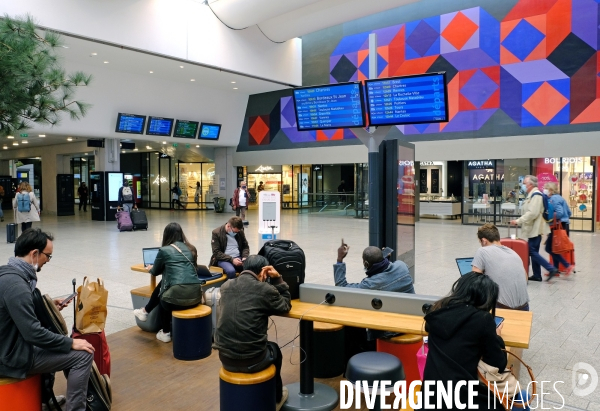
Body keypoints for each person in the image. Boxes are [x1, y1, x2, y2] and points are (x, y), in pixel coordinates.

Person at [0, 228, 94, 411]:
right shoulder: (17, 286)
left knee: (53, 341)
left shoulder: (8, 273)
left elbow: (15, 313)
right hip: (9, 357)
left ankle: (45, 397)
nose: (48, 261)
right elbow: (33, 333)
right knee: (83, 355)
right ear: (34, 253)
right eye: (47, 256)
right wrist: (70, 343)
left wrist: (48, 306)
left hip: (7, 346)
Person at [213, 255, 291, 411]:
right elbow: (285, 305)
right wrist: (278, 279)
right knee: (275, 350)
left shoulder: (226, 286)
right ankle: (276, 398)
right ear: (264, 272)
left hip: (225, 357)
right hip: (253, 359)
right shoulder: (264, 289)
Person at [423, 272, 510, 410]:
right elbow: (497, 363)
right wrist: (497, 336)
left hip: (430, 398)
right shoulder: (483, 320)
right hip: (463, 398)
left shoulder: (436, 312)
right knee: (520, 397)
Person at [134, 226, 210, 335]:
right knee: (166, 285)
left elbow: (155, 272)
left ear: (166, 235)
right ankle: (145, 312)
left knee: (163, 295)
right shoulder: (191, 248)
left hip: (175, 301)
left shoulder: (164, 250)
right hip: (196, 297)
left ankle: (165, 332)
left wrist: (151, 268)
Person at [510, 175, 558, 282]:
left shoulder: (536, 196)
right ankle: (537, 275)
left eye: (525, 183)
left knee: (530, 251)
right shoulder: (531, 195)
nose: (523, 186)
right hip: (532, 228)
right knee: (533, 251)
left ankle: (551, 268)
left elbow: (532, 213)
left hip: (535, 229)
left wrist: (518, 221)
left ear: (530, 184)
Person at [472, 224, 530, 311]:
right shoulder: (513, 253)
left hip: (502, 308)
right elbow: (525, 278)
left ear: (484, 241)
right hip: (524, 307)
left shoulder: (482, 251)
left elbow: (475, 281)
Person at [334, 240, 415, 293]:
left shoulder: (370, 284)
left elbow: (341, 287)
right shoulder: (402, 266)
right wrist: (384, 260)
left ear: (366, 264)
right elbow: (390, 274)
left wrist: (339, 259)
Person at [544, 182, 575, 276]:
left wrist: (549, 217)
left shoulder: (553, 199)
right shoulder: (560, 198)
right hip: (564, 225)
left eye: (545, 188)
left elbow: (560, 213)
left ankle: (567, 265)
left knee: (549, 248)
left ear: (550, 190)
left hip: (557, 226)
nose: (544, 190)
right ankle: (556, 270)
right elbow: (569, 213)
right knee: (555, 248)